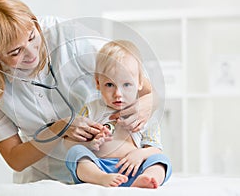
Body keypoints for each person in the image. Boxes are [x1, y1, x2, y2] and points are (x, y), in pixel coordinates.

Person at [0, 0, 156, 184]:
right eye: (16, 51)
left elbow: (140, 83)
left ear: (33, 22)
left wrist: (145, 105)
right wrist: (58, 129)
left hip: (104, 169)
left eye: (31, 37)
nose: (32, 53)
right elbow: (15, 159)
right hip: (43, 178)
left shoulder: (66, 35)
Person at [65, 40, 172, 188]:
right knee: (74, 153)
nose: (118, 94)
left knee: (161, 161)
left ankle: (147, 178)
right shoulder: (91, 109)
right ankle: (100, 178)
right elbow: (70, 142)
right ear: (97, 83)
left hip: (134, 167)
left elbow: (155, 148)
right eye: (109, 85)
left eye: (127, 85)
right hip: (98, 166)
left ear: (140, 83)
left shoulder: (144, 114)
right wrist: (90, 144)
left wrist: (139, 155)